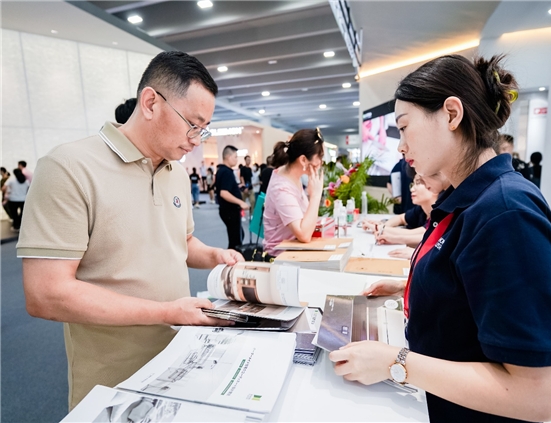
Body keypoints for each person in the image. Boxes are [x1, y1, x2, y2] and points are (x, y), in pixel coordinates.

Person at [329, 55, 551, 423]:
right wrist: (418, 288)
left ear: (452, 114)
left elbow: (538, 395)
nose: (401, 146)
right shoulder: (469, 200)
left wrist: (395, 363)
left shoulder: (506, 214)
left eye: (404, 127)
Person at [17, 51, 244, 410]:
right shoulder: (69, 167)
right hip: (112, 376)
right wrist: (167, 312)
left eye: (204, 129)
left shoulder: (177, 173)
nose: (196, 139)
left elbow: (181, 243)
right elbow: (46, 294)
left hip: (181, 356)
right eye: (193, 124)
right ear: (151, 102)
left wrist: (217, 256)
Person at [263, 128, 324, 256]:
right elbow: (304, 235)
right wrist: (316, 196)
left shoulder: (292, 177)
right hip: (280, 258)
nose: (321, 162)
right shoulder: (281, 188)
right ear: (303, 160)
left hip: (294, 252)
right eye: (320, 156)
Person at [215, 145, 249, 249]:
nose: (236, 159)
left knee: (238, 236)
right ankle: (232, 261)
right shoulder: (226, 172)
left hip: (227, 210)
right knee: (236, 241)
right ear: (228, 157)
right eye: (235, 157)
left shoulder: (222, 170)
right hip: (230, 211)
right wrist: (240, 202)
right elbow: (224, 193)